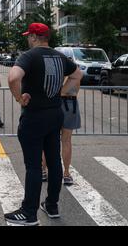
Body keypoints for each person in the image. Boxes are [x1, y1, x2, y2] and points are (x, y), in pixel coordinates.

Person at [5, 23, 83, 226]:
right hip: (55, 114)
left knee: (33, 166)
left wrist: (18, 98)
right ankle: (52, 205)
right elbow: (78, 75)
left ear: (33, 37)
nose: (27, 39)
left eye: (28, 36)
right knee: (54, 161)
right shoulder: (60, 56)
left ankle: (29, 213)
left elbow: (13, 77)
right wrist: (61, 91)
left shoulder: (29, 56)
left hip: (34, 116)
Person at [42, 57, 82, 186]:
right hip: (70, 104)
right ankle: (66, 173)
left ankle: (43, 170)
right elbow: (76, 89)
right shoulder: (76, 73)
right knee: (66, 140)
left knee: (47, 139)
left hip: (55, 104)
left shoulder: (55, 72)